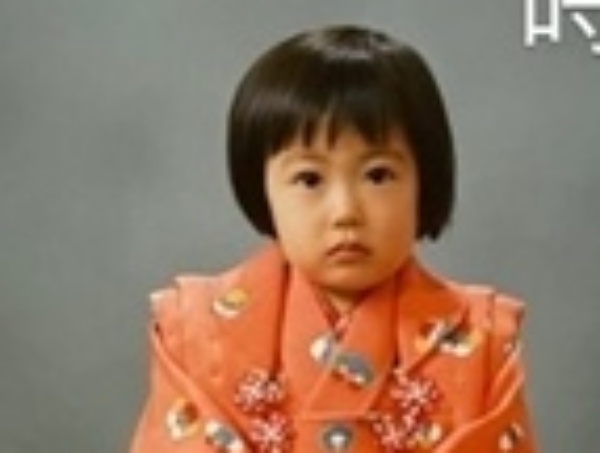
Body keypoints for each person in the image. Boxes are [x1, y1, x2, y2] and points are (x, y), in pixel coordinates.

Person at [130, 24, 537, 452]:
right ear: (261, 188)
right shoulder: (194, 330)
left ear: (425, 181)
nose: (345, 212)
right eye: (309, 179)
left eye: (378, 175)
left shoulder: (483, 336)